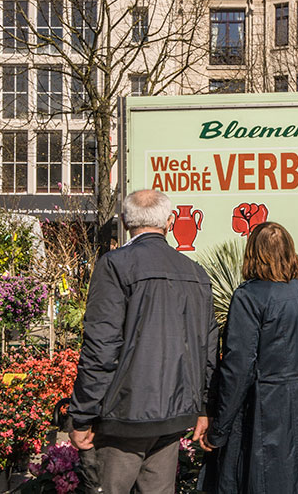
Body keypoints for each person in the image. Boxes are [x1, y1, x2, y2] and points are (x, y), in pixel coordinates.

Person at [68, 189, 217, 494]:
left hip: (125, 414)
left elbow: (101, 346)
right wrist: (204, 406)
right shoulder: (194, 272)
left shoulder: (115, 265)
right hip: (174, 411)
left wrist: (82, 414)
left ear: (124, 221)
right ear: (170, 222)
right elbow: (208, 347)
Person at [200, 222, 298, 494]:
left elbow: (237, 368)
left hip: (269, 412)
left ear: (253, 253)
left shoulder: (249, 296)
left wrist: (219, 428)